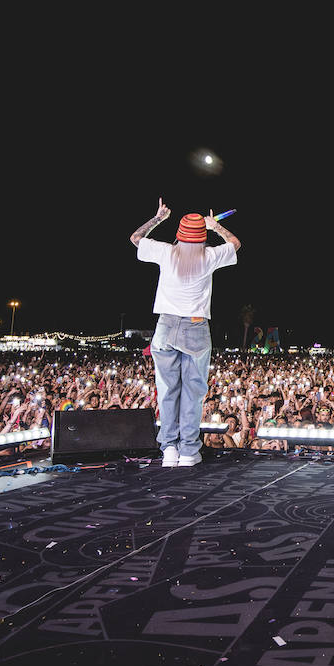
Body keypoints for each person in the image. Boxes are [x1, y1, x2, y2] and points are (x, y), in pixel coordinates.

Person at [131, 199, 240, 468]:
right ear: (202, 237)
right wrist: (215, 226)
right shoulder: (209, 256)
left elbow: (135, 238)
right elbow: (235, 243)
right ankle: (189, 451)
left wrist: (158, 219)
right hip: (195, 326)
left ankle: (168, 449)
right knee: (192, 392)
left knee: (168, 390)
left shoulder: (167, 252)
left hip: (166, 326)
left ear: (179, 236)